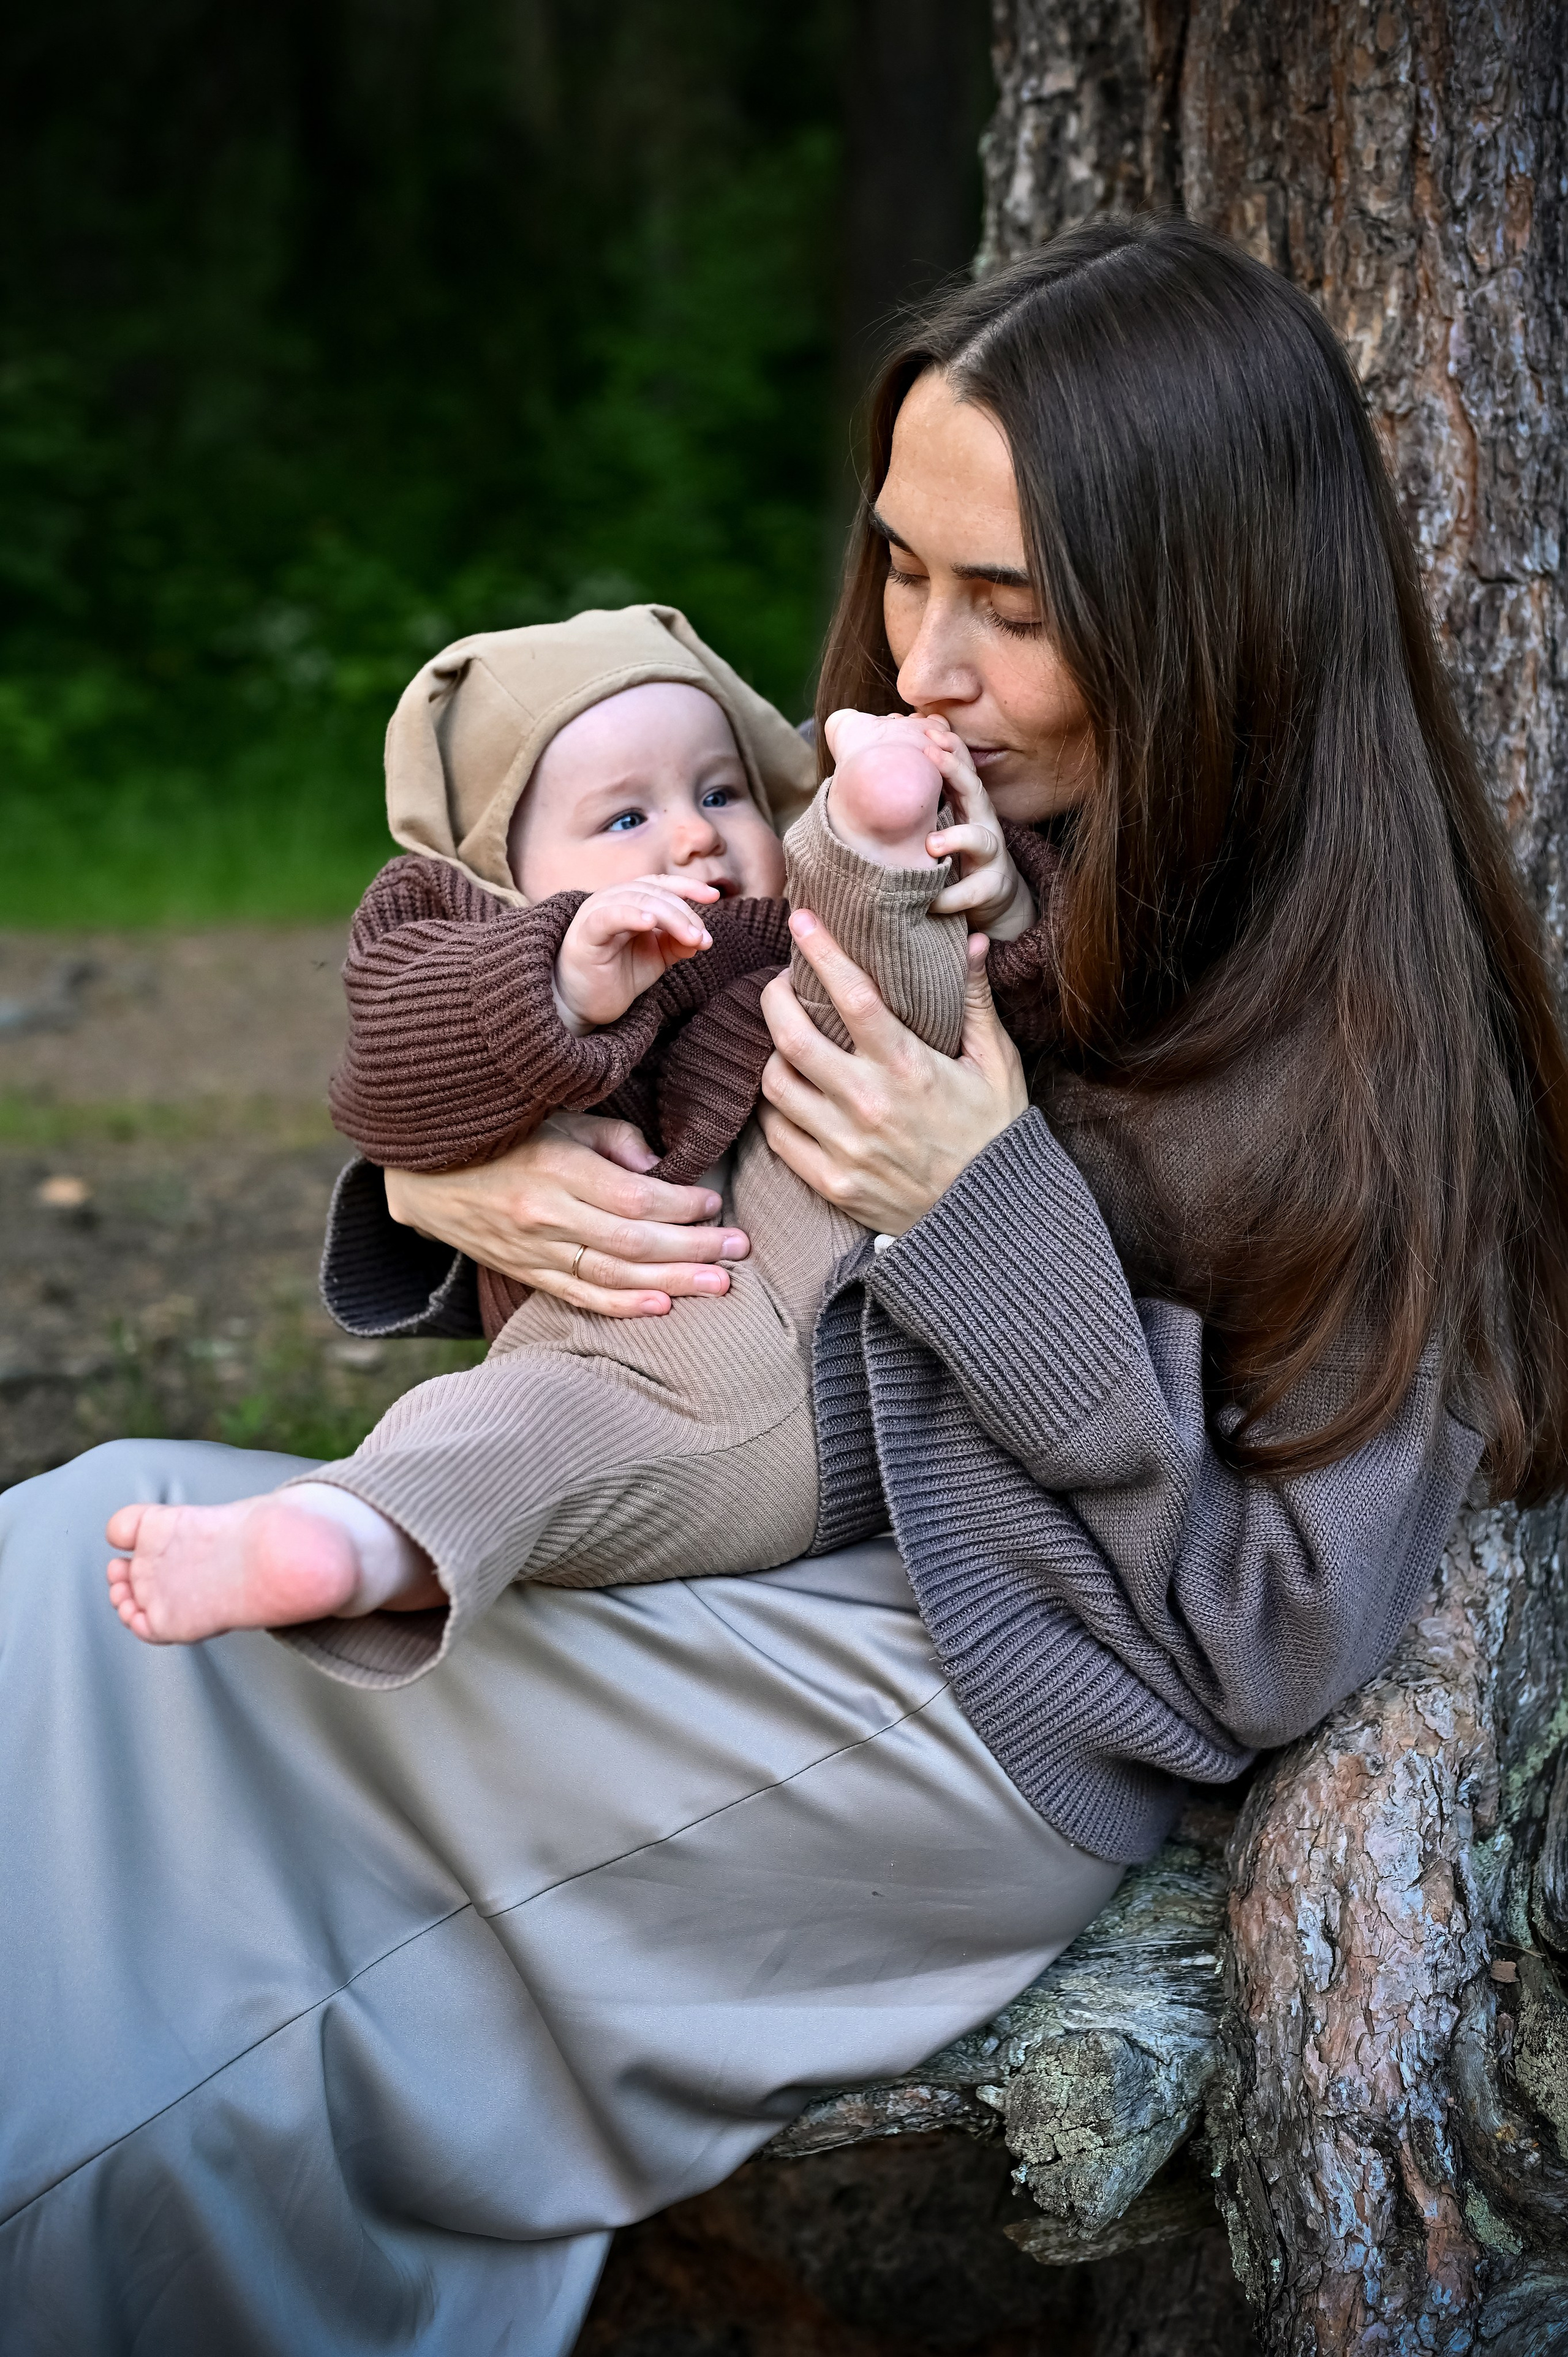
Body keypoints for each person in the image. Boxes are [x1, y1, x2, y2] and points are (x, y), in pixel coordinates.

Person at [6, 214, 1567, 2356]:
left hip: (966, 1707)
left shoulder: (1386, 1061)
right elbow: (650, 1093)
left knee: (189, 1973)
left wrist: (983, 1214)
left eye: (1008, 606)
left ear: (1212, 621)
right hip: (752, 1545)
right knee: (60, 1585)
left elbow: (1262, 1637)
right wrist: (463, 1175)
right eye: (908, 568)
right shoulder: (960, 833)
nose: (919, 658)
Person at [102, 608, 1029, 1659]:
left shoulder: (780, 924)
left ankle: (880, 840)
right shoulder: (475, 952)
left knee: (858, 986)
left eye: (722, 793)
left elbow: (1003, 999)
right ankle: (347, 1537)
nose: (693, 835)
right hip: (654, 1369)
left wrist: (984, 893)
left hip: (878, 1357)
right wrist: (555, 979)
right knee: (518, 1433)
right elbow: (386, 1082)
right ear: (505, 878)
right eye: (625, 820)